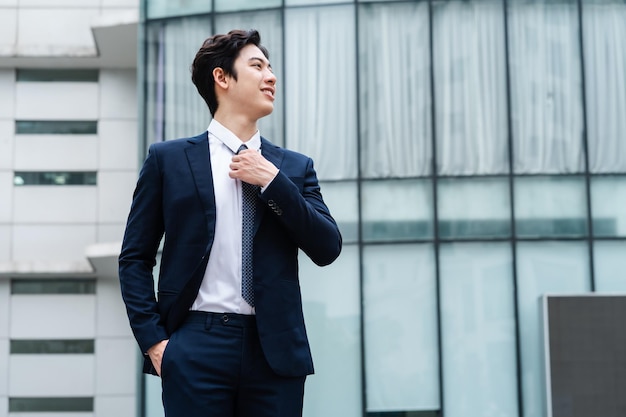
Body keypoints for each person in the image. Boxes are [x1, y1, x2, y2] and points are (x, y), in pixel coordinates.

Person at [118, 29, 342, 417]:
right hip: (195, 346)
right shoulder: (167, 160)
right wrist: (156, 343)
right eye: (257, 66)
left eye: (270, 68)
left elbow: (327, 247)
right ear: (222, 78)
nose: (271, 76)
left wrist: (271, 181)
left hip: (274, 353)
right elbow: (134, 258)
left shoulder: (293, 167)